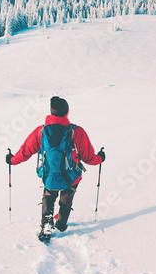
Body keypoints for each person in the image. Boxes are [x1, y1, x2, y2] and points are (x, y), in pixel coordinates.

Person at [6, 96, 105, 240]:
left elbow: (26, 151)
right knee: (67, 195)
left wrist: (12, 160)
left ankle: (46, 224)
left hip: (49, 174)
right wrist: (101, 158)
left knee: (49, 195)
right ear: (67, 112)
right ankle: (61, 223)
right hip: (71, 176)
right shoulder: (77, 131)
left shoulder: (41, 131)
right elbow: (89, 157)